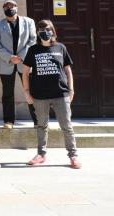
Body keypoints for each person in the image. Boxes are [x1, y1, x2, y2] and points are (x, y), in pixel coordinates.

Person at [23, 20, 81, 169]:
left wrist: (71, 89)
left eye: (47, 29)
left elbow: (68, 70)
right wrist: (27, 92)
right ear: (37, 33)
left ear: (53, 31)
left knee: (66, 126)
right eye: (41, 29)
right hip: (39, 95)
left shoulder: (61, 48)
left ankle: (73, 155)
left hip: (60, 93)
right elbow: (25, 72)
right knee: (41, 125)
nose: (45, 31)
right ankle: (41, 154)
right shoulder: (33, 50)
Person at [0, 0, 37, 128]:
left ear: (17, 7)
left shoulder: (28, 22)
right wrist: (10, 57)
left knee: (31, 91)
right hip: (6, 63)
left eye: (12, 6)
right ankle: (8, 121)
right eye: (6, 6)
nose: (9, 8)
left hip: (25, 63)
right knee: (7, 93)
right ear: (4, 9)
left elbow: (32, 40)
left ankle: (37, 120)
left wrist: (21, 56)